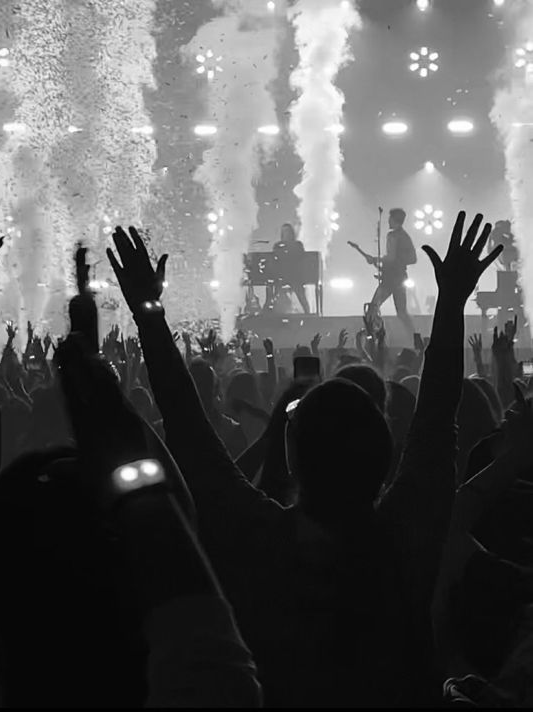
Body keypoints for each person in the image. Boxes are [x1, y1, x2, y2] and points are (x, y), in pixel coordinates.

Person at [106, 214, 501, 707]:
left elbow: (187, 430)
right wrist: (452, 302)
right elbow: (438, 417)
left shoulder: (255, 537)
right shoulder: (405, 540)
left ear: (291, 456)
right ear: (385, 456)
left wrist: (150, 314)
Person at [367, 207, 417, 340]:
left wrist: (375, 259)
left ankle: (371, 337)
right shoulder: (405, 236)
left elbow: (391, 257)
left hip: (390, 279)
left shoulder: (393, 236)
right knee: (401, 312)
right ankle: (415, 338)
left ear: (394, 220)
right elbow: (413, 259)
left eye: (390, 219)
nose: (388, 221)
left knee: (373, 307)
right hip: (400, 278)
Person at [272, 223, 311, 316]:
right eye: (284, 231)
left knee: (301, 296)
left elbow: (300, 257)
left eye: (288, 231)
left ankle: (308, 314)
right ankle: (271, 313)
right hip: (281, 276)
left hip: (295, 276)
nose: (286, 234)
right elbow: (274, 257)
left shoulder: (298, 245)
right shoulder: (278, 245)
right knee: (273, 293)